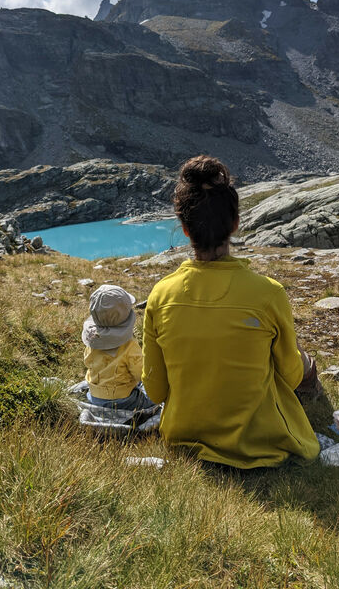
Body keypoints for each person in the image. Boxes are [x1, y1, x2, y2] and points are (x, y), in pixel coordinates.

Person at [142, 155, 321, 468]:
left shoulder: (160, 295)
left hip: (183, 437)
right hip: (260, 443)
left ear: (184, 228)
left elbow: (155, 390)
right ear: (235, 223)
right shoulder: (269, 293)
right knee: (302, 362)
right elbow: (292, 377)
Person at [82, 284, 155, 411]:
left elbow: (87, 361)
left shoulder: (92, 339)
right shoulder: (129, 345)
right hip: (123, 399)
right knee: (153, 399)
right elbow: (141, 375)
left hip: (94, 395)